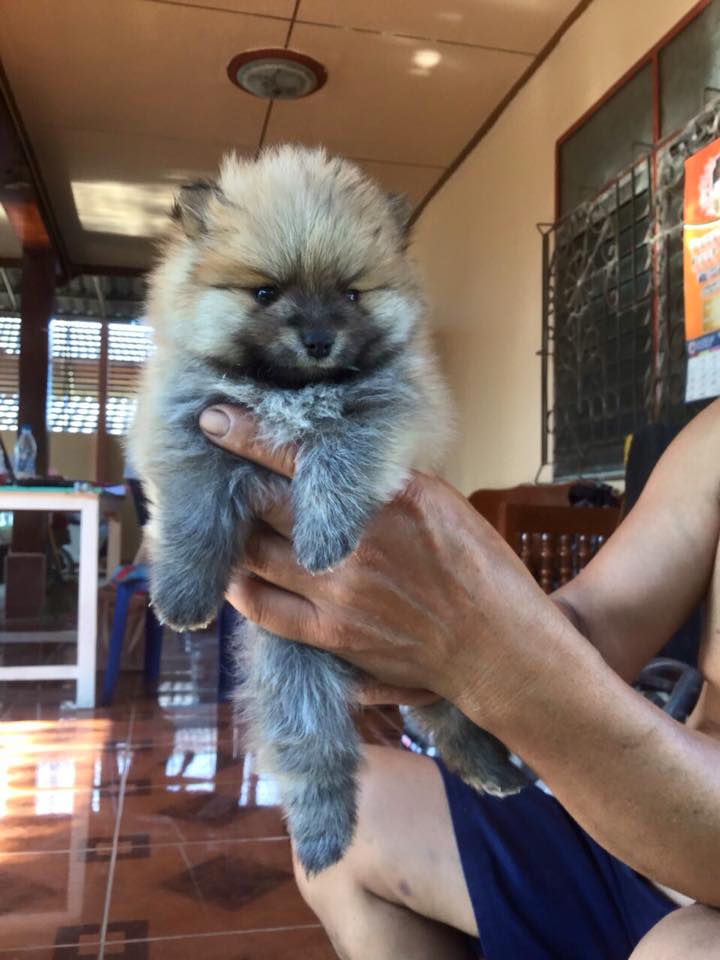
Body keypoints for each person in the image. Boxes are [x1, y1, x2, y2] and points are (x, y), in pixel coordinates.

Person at [199, 399, 720, 959]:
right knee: (351, 819)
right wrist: (451, 599)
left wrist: (488, 660)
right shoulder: (711, 437)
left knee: (681, 949)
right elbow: (597, 621)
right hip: (636, 827)